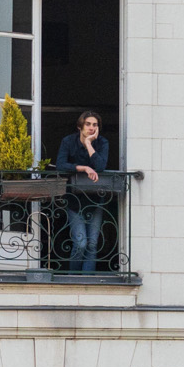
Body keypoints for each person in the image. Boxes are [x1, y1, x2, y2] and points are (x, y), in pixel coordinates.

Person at [55, 110, 112, 273]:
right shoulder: (68, 141)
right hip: (74, 198)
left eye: (95, 125)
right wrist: (84, 168)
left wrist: (88, 144)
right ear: (80, 126)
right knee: (80, 242)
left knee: (92, 244)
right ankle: (74, 278)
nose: (92, 128)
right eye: (88, 124)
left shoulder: (102, 143)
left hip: (96, 198)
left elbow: (101, 166)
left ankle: (88, 279)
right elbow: (60, 164)